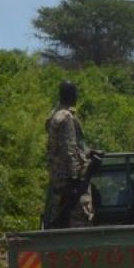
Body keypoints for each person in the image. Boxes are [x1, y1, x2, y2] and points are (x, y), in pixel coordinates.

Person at [43, 80, 94, 229]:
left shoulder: (55, 115)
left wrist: (88, 152)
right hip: (70, 181)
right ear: (73, 96)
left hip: (58, 178)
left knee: (59, 217)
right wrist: (75, 179)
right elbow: (69, 149)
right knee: (80, 220)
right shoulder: (67, 118)